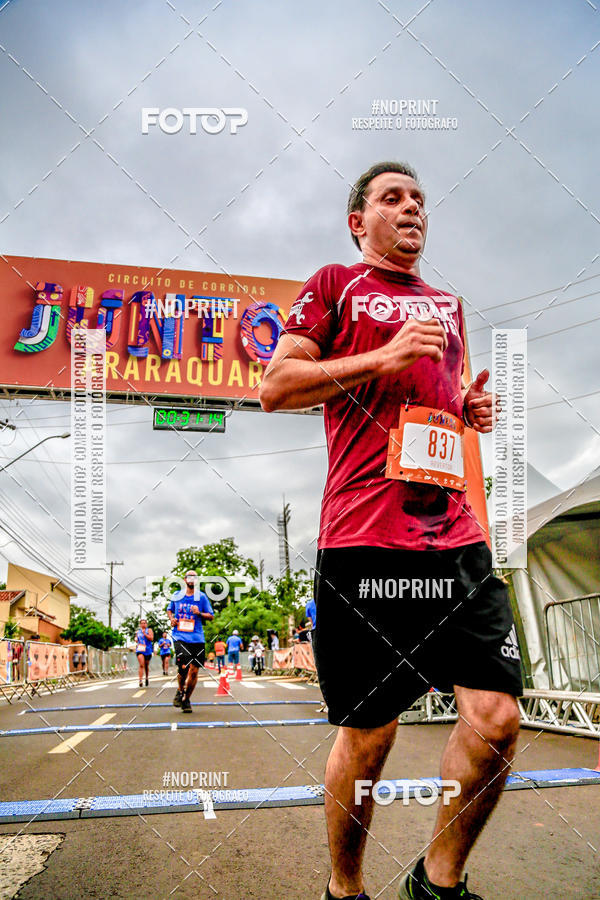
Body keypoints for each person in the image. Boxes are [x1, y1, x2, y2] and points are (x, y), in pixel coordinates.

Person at [260, 161, 522, 900]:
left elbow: (433, 404)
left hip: (454, 540)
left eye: (419, 200)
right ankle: (344, 889)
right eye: (392, 198)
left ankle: (438, 882)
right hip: (364, 542)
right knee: (370, 736)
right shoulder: (334, 285)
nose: (411, 208)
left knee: (497, 718)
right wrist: (384, 355)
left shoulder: (448, 307)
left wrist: (466, 412)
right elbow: (275, 387)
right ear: (359, 221)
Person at [167, 570, 214, 713]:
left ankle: (186, 699)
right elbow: (169, 610)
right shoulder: (177, 595)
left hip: (197, 638)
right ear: (185, 579)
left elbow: (211, 616)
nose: (191, 579)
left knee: (194, 671)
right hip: (180, 636)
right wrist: (172, 619)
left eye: (194, 577)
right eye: (189, 577)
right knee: (183, 667)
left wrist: (199, 613)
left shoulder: (202, 597)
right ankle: (180, 690)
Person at [135, 620, 154, 687]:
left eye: (144, 623)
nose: (143, 624)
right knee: (141, 664)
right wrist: (136, 639)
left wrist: (145, 634)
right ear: (140, 624)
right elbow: (136, 639)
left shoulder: (149, 630)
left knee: (146, 665)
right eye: (142, 623)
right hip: (140, 649)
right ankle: (140, 680)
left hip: (147, 650)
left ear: (146, 624)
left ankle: (146, 678)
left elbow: (151, 638)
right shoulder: (138, 632)